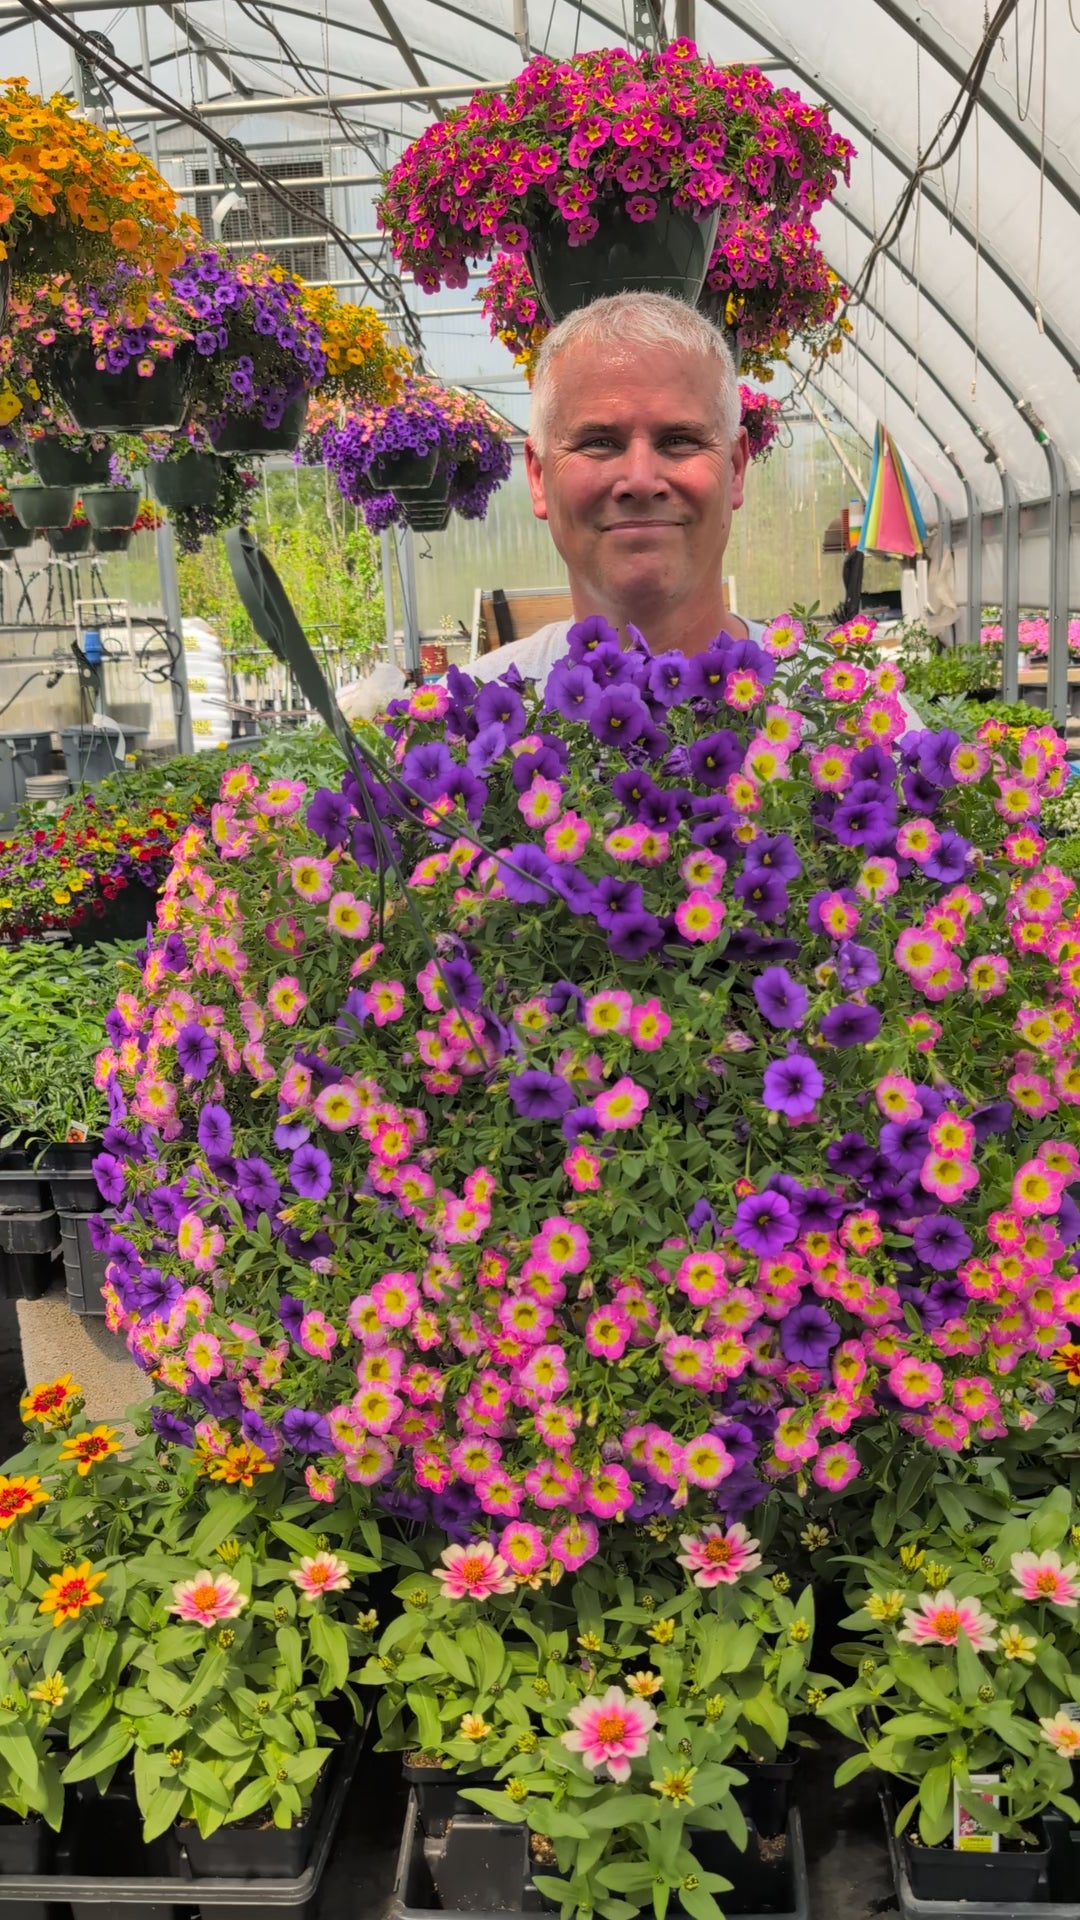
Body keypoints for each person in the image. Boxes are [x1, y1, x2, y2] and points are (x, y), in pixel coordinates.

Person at [467, 290, 761, 688]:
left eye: (679, 440)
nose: (640, 480)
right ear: (538, 477)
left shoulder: (849, 724)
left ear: (735, 469)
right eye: (599, 442)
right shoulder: (463, 721)